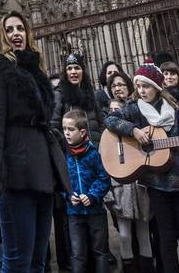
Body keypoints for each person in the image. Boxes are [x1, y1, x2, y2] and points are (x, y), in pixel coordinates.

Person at [0, 12, 70, 273]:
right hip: (15, 169)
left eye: (20, 28)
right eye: (9, 29)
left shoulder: (35, 69)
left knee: (39, 261)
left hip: (41, 167)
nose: (16, 33)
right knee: (18, 260)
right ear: (2, 36)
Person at [105, 63, 179, 273]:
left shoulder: (175, 111)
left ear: (156, 86)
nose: (141, 91)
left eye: (145, 86)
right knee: (166, 239)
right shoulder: (134, 109)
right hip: (156, 185)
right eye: (138, 86)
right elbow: (110, 120)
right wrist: (133, 130)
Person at [104, 75, 153, 272]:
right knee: (124, 234)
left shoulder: (137, 114)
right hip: (119, 188)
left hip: (140, 184)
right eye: (114, 85)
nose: (118, 88)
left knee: (144, 231)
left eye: (121, 84)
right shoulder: (108, 132)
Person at [62, 110, 110, 273]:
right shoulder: (64, 155)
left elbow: (104, 178)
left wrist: (93, 195)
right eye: (64, 129)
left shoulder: (94, 153)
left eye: (71, 129)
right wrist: (68, 195)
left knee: (100, 252)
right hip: (74, 213)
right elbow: (61, 182)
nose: (66, 133)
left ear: (82, 132)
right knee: (78, 254)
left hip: (95, 212)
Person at [52, 53, 104, 146]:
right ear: (65, 73)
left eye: (77, 68)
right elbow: (54, 127)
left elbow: (101, 124)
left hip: (94, 151)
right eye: (69, 68)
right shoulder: (59, 95)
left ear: (83, 72)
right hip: (71, 155)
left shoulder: (91, 94)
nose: (73, 72)